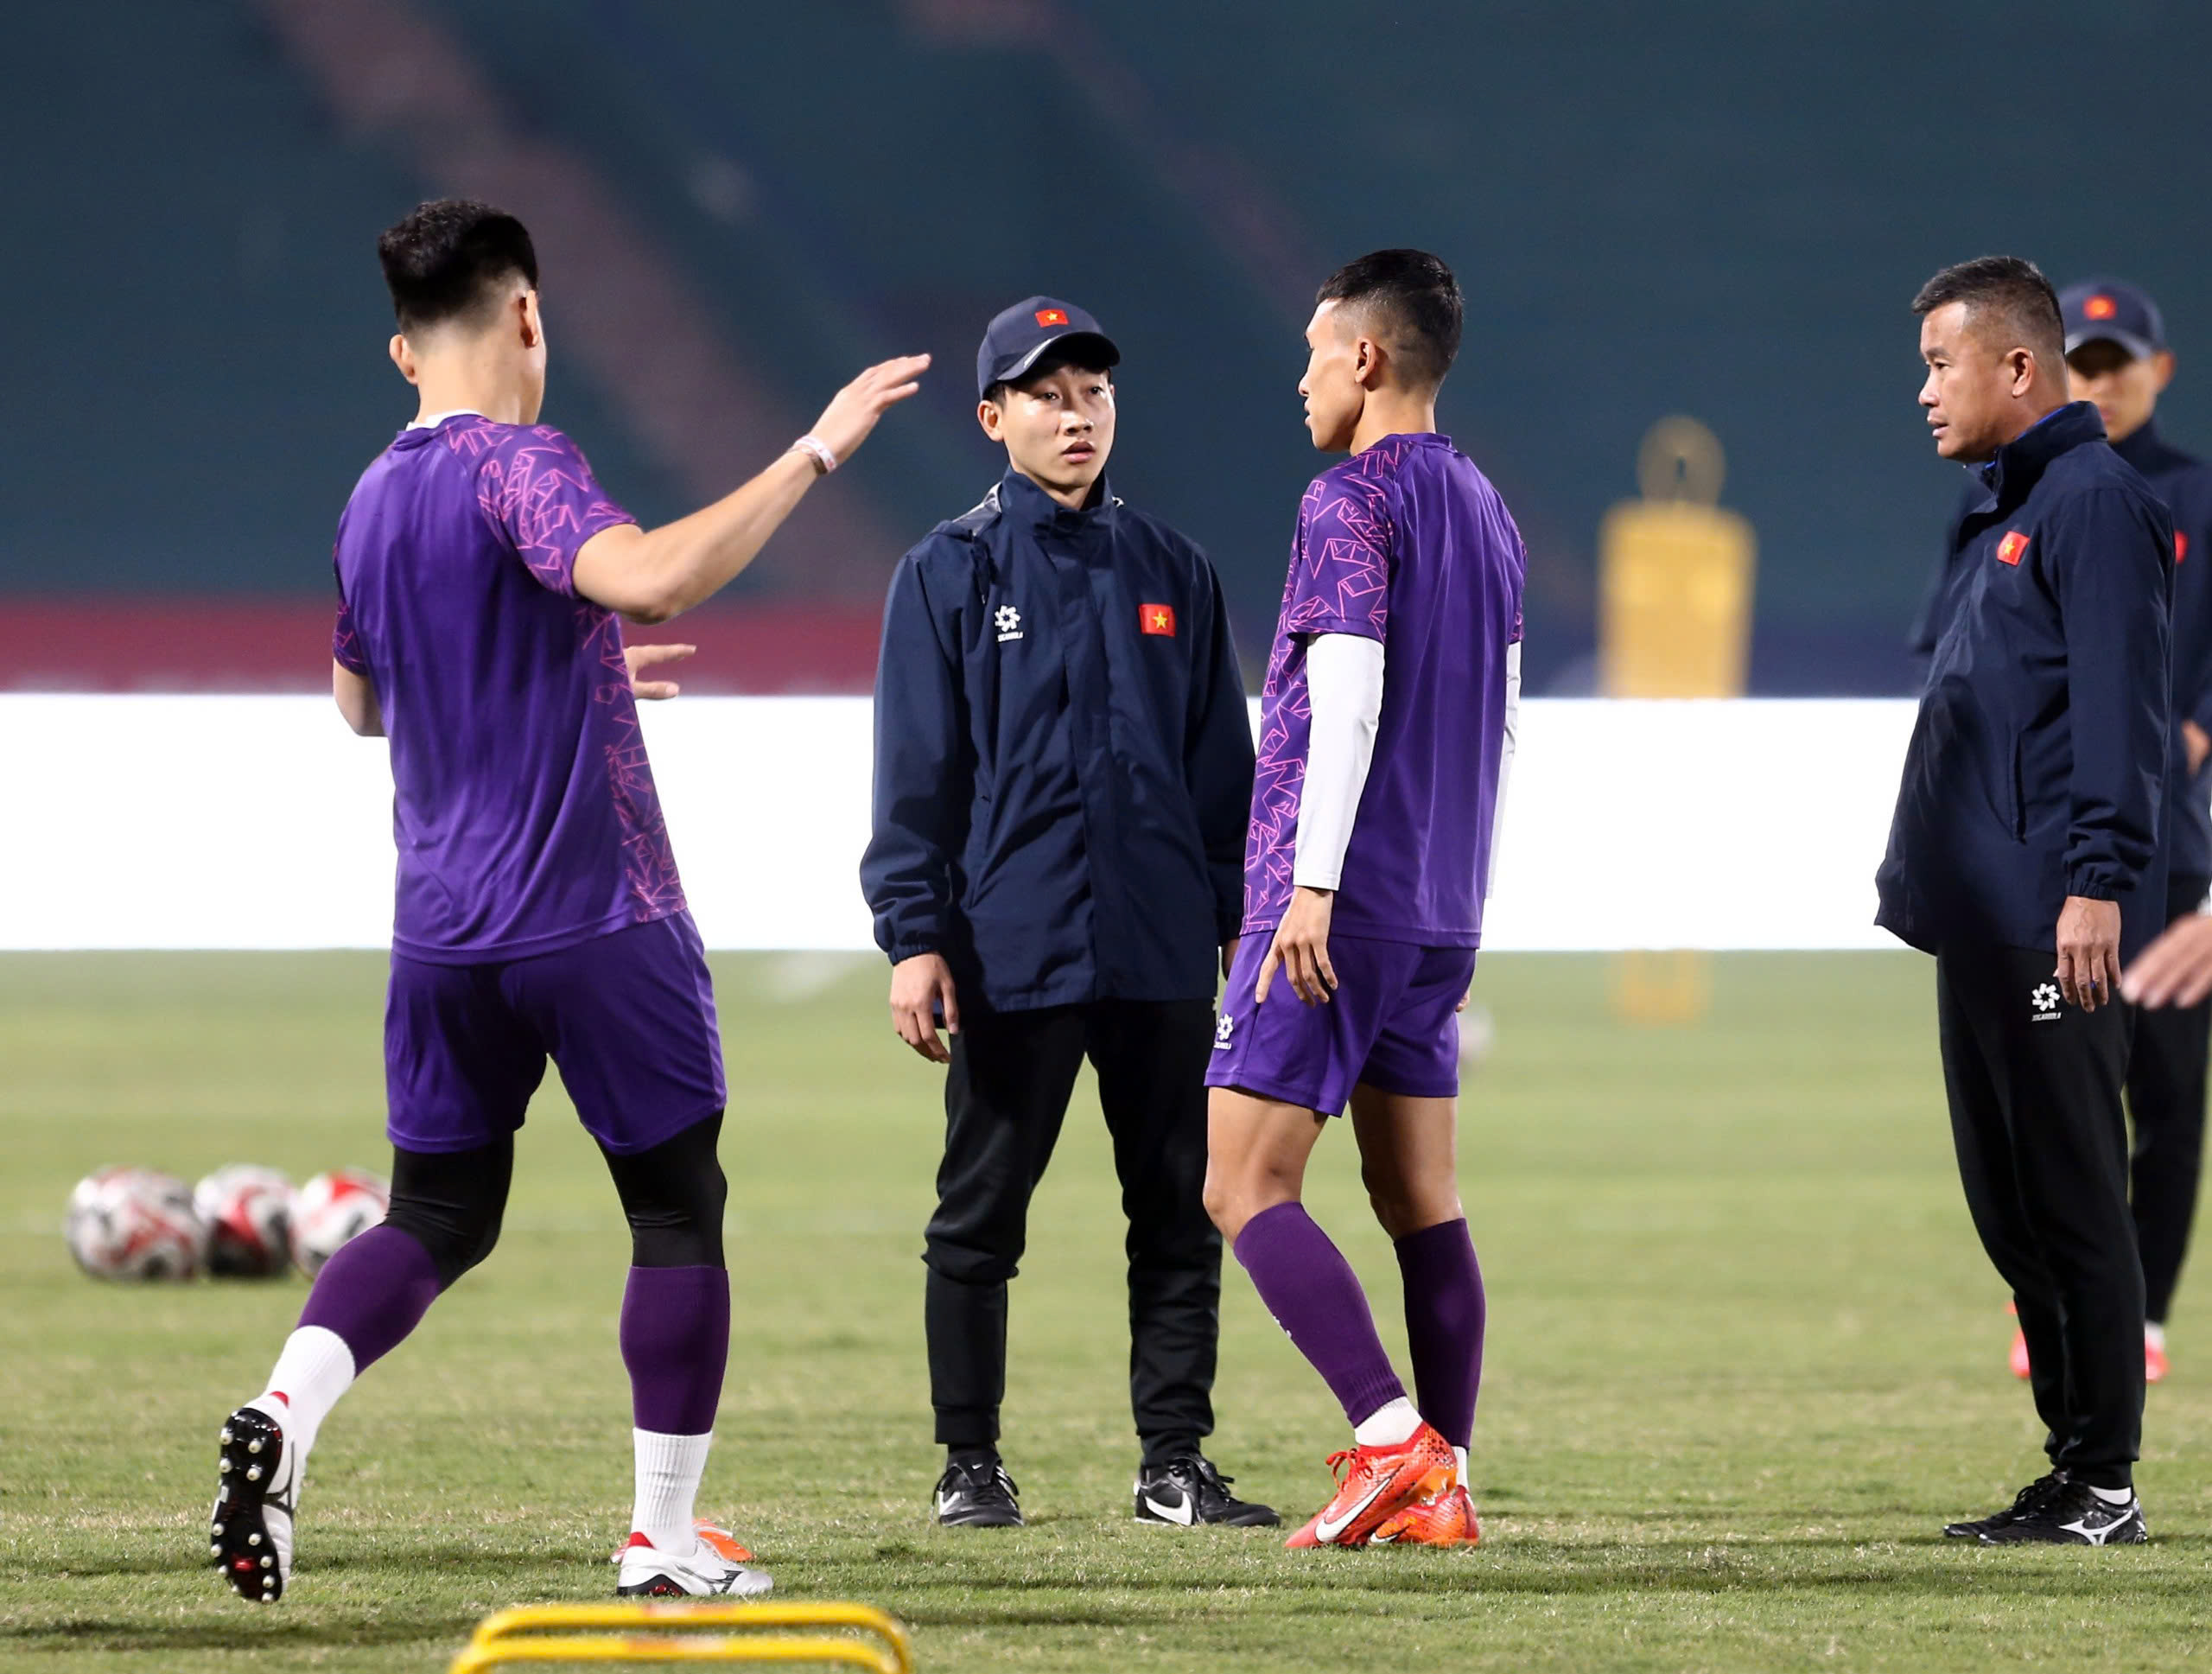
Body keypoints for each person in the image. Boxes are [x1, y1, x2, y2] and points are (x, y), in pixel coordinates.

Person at [209, 199, 926, 1603]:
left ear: (401, 353)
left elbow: (360, 705)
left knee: (434, 1213)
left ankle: (284, 1414)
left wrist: (554, 670)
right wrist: (819, 445)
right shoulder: (521, 464)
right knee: (674, 1207)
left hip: (441, 938)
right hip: (595, 915)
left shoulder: (370, 496)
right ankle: (663, 1538)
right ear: (529, 316)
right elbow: (651, 576)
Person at [860, 297, 1272, 1530]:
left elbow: (1221, 778)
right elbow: (915, 775)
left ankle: (1174, 1466)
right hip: (1011, 945)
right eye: (1046, 393)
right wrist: (913, 935)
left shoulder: (1174, 569)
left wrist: (1239, 930)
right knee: (980, 1214)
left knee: (1179, 1212)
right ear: (994, 419)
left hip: (1156, 949)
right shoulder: (946, 570)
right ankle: (968, 1464)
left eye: (1092, 388)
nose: (1076, 411)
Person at [1202, 250, 1523, 1551]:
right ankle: (1446, 1484)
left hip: (1337, 900)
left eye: (1316, 349)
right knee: (1421, 1200)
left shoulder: (1349, 500)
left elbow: (1344, 701)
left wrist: (1311, 883)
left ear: (1368, 359)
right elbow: (1499, 719)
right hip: (1440, 902)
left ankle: (1393, 1444)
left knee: (1240, 1183)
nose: (1302, 375)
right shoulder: (1490, 508)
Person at [1876, 255, 2171, 1546]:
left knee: (2071, 1194)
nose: (1925, 391)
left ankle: (2104, 1482)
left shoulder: (2092, 501)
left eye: (1942, 363)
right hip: (1984, 912)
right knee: (2011, 1206)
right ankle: (2070, 1467)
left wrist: (2098, 882)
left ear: (2015, 365)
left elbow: (2121, 708)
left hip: (2054, 908)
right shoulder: (2014, 505)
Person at [2059, 278, 2212, 1384]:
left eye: (2117, 362)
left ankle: (2143, 1317)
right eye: (2081, 361)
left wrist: (2190, 734)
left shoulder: (2200, 497)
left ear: (2158, 370)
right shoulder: (2033, 493)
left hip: (2175, 853)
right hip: (2061, 852)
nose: (2100, 381)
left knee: (2163, 1096)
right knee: (2060, 1098)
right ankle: (2069, 1302)